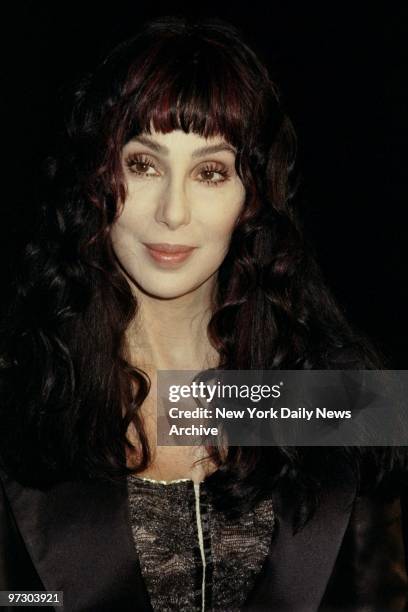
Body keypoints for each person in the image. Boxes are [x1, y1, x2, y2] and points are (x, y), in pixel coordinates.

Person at [0, 14, 407, 612]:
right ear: (95, 175)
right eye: (143, 164)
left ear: (253, 194)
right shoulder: (22, 393)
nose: (173, 212)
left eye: (210, 172)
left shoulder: (342, 393)